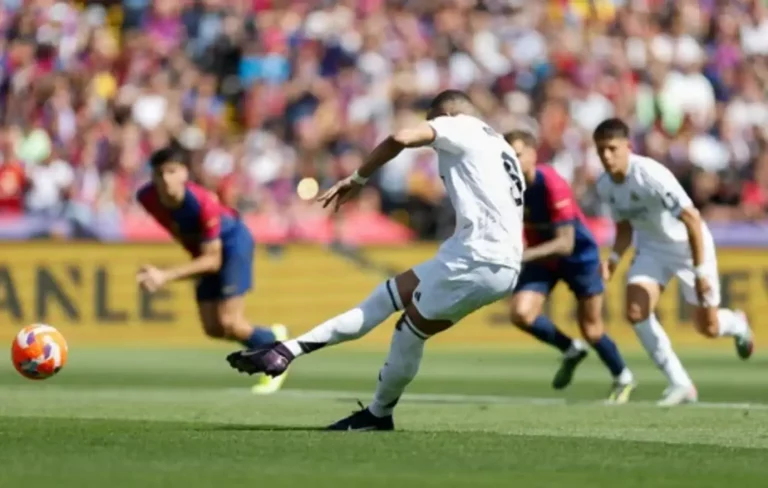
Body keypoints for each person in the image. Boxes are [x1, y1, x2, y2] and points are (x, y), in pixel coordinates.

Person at [227, 90, 525, 430]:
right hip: (483, 254)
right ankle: (286, 351)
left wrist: (357, 178)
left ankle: (378, 415)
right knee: (387, 296)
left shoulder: (459, 126)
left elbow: (400, 137)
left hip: (477, 256)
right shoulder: (499, 143)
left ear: (444, 115)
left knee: (407, 333)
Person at [593, 118, 754, 406]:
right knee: (635, 310)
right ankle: (680, 383)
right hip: (652, 250)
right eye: (601, 150)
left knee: (709, 327)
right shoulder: (605, 185)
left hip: (688, 248)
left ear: (628, 147)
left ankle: (737, 323)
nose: (606, 156)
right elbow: (625, 227)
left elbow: (692, 219)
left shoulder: (651, 175)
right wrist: (613, 260)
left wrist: (701, 270)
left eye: (612, 149)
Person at [136, 145, 289, 395]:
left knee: (230, 321)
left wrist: (164, 275)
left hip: (232, 245)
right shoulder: (146, 197)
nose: (165, 179)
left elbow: (212, 261)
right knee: (214, 329)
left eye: (172, 171)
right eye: (159, 173)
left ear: (185, 173)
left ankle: (275, 353)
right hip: (204, 251)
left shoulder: (202, 202)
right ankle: (270, 336)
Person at [505, 130, 635, 404]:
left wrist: (521, 256)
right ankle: (570, 349)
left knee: (592, 330)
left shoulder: (552, 183)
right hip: (542, 259)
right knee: (520, 313)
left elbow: (565, 243)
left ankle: (623, 376)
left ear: (532, 154)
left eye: (516, 155)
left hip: (579, 257)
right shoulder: (506, 187)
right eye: (506, 157)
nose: (511, 162)